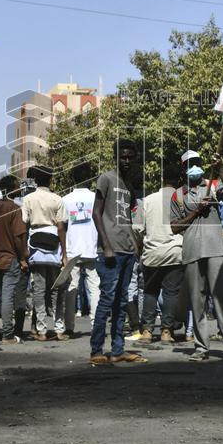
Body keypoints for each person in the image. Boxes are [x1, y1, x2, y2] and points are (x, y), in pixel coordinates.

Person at [170, 149, 223, 362]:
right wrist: (196, 211)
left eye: (197, 162)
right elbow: (174, 227)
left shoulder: (213, 186)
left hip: (216, 251)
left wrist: (221, 170)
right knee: (197, 303)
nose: (195, 166)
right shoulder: (178, 195)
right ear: (184, 168)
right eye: (190, 163)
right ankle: (201, 348)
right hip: (192, 252)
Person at [90, 138, 145, 365]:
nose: (126, 160)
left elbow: (127, 220)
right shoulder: (106, 178)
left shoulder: (128, 185)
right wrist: (107, 246)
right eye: (123, 156)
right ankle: (96, 350)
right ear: (116, 157)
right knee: (107, 299)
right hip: (111, 251)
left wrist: (136, 248)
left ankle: (118, 349)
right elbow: (96, 213)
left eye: (130, 157)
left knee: (122, 301)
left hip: (127, 250)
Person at [132, 163, 185, 344]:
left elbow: (137, 229)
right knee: (171, 293)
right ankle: (166, 333)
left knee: (150, 292)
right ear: (179, 181)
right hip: (175, 253)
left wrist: (140, 248)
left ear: (162, 179)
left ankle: (147, 331)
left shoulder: (147, 200)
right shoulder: (182, 200)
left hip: (152, 254)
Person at [21, 165, 68, 341]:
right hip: (54, 245)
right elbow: (61, 227)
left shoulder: (28, 199)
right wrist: (64, 253)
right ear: (50, 180)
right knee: (57, 289)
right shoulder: (57, 199)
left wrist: (25, 250)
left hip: (35, 246)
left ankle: (41, 330)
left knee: (38, 290)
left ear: (36, 181)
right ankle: (59, 329)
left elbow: (24, 223)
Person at [0, 175, 29, 343]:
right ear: (12, 189)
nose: (20, 188)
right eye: (18, 185)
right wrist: (23, 256)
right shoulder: (15, 209)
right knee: (8, 296)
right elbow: (19, 237)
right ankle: (7, 334)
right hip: (10, 258)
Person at [60, 162, 100, 336]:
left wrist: (63, 252)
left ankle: (69, 327)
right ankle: (96, 323)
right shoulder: (95, 198)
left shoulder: (65, 200)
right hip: (91, 247)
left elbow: (61, 226)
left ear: (73, 179)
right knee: (95, 287)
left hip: (72, 249)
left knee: (72, 287)